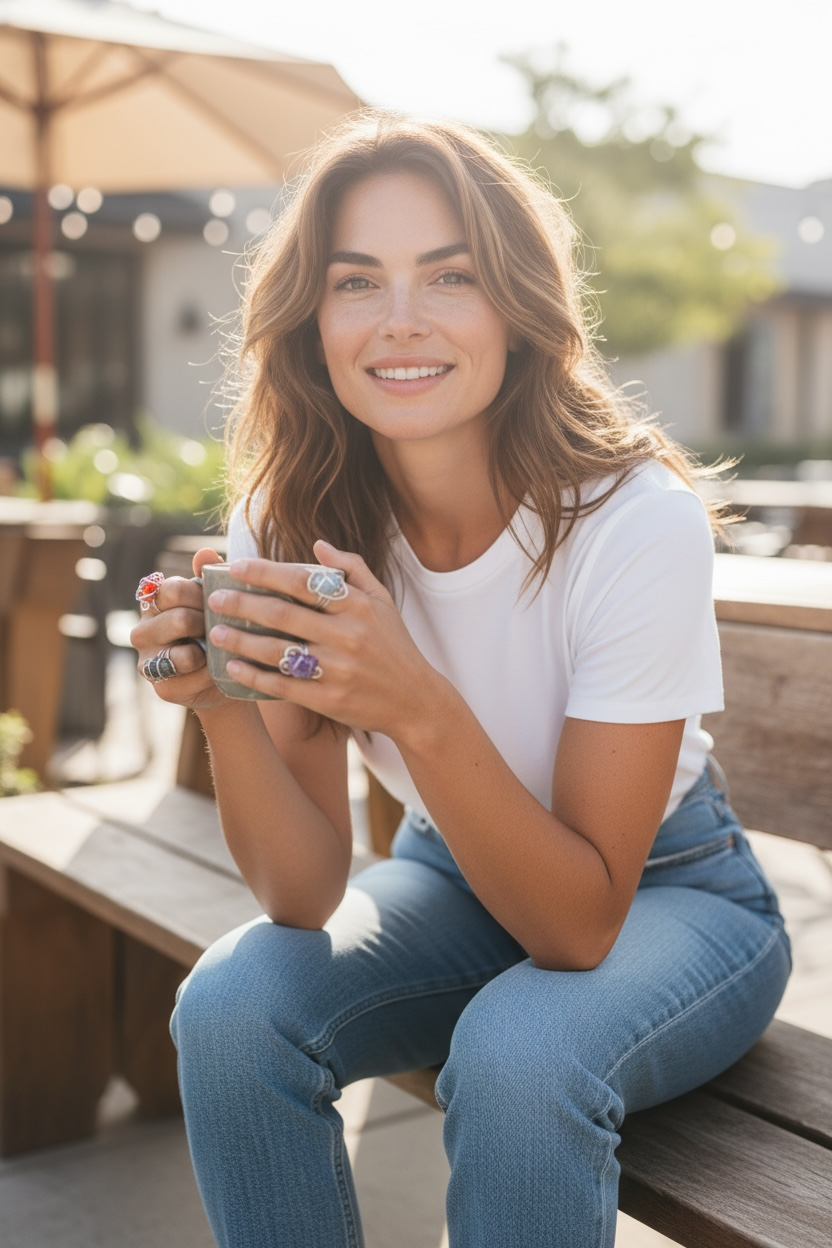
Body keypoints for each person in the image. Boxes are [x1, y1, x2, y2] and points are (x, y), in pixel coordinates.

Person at [131, 112, 791, 1248]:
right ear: (312, 317)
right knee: (234, 1006)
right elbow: (299, 895)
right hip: (448, 876)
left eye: (451, 277)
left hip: (670, 897)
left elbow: (579, 927)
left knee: (520, 1054)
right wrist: (223, 709)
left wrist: (413, 702)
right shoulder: (285, 519)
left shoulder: (633, 523)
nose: (400, 321)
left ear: (517, 307)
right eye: (356, 281)